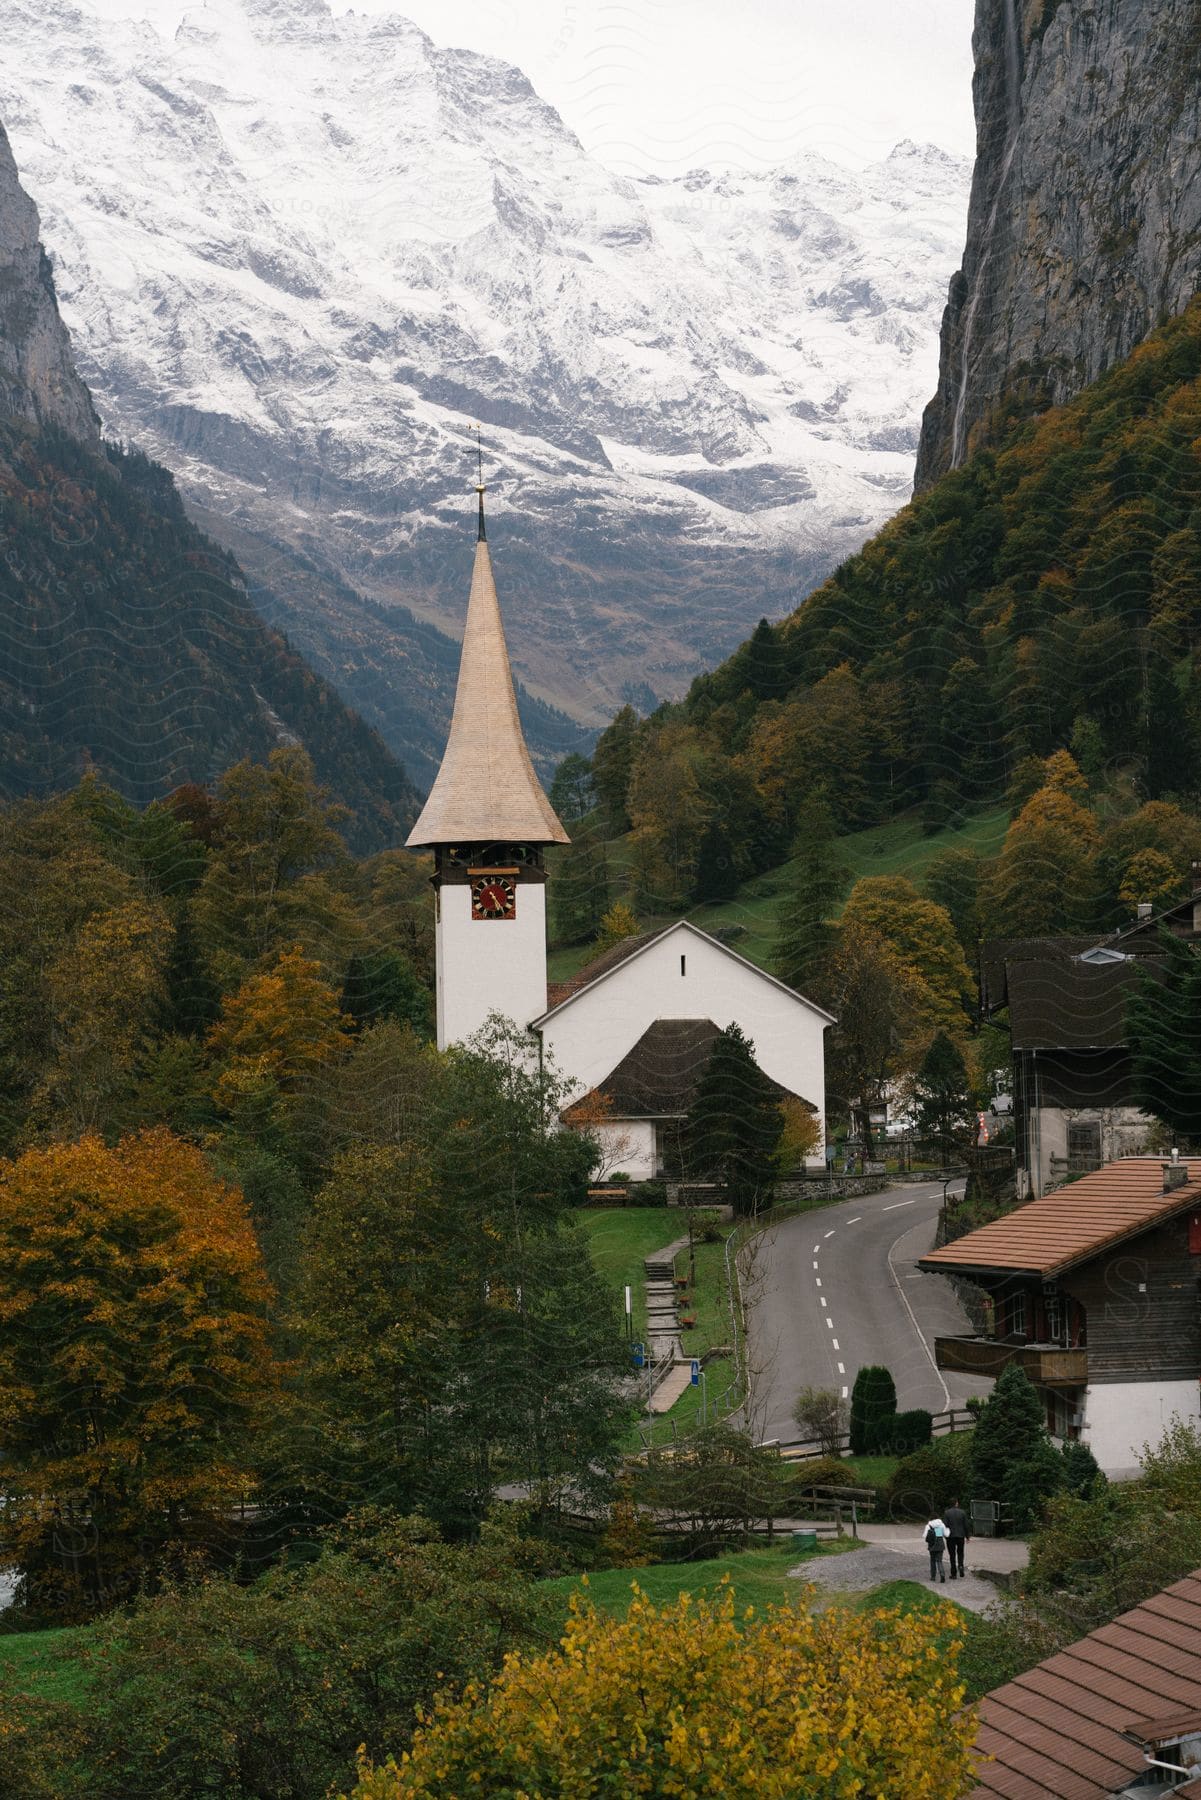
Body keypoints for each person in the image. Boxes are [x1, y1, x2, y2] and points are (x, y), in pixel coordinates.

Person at [943, 1498, 970, 1579]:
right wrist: (967, 1536)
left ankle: (953, 1573)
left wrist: (945, 1535)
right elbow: (966, 1525)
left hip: (951, 1537)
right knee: (960, 1552)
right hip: (961, 1536)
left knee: (952, 1555)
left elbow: (945, 1525)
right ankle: (961, 1566)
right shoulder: (962, 1512)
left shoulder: (947, 1513)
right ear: (956, 1503)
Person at [924, 1516, 947, 1583]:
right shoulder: (941, 1525)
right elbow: (944, 1534)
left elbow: (926, 1537)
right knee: (939, 1561)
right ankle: (942, 1575)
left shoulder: (929, 1526)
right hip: (940, 1546)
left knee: (932, 1561)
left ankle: (933, 1577)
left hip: (932, 1546)